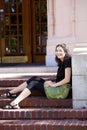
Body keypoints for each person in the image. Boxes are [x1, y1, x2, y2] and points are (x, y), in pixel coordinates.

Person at [1, 43, 72, 109]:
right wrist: (51, 82)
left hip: (61, 91)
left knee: (34, 83)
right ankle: (10, 93)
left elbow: (67, 79)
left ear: (65, 52)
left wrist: (53, 85)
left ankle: (15, 102)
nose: (58, 52)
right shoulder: (61, 62)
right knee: (35, 78)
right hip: (58, 87)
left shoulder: (67, 60)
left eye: (60, 50)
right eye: (56, 50)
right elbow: (61, 78)